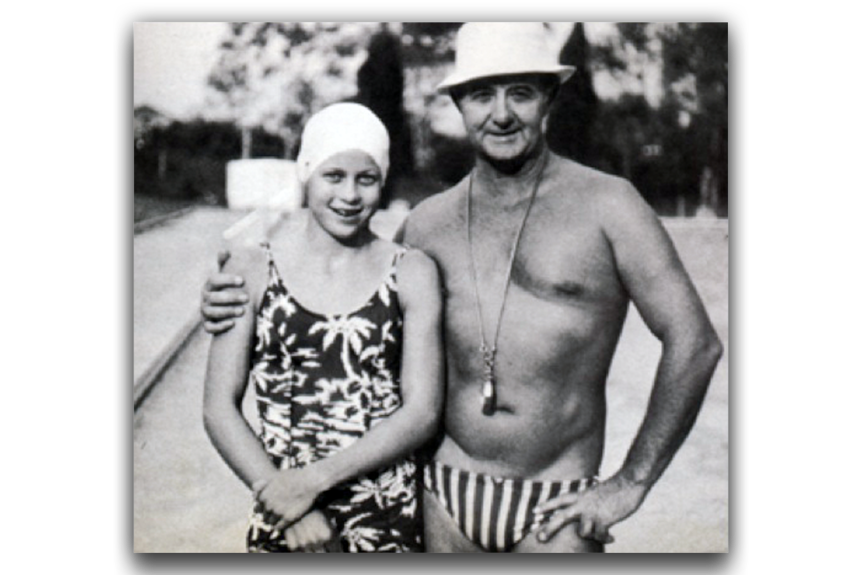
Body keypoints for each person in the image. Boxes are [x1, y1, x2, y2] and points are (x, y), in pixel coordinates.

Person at [201, 22, 723, 553]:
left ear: (549, 97)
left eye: (520, 92)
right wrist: (230, 292)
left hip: (554, 505)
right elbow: (344, 289)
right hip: (438, 500)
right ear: (457, 102)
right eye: (481, 95)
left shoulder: (610, 208)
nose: (500, 114)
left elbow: (696, 343)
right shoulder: (428, 223)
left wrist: (629, 484)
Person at [202, 103, 444, 553]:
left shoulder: (411, 271)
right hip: (286, 519)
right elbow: (219, 407)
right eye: (334, 176)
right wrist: (287, 503)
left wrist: (308, 484)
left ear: (383, 180)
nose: (350, 194)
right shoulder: (252, 268)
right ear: (306, 174)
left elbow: (422, 411)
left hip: (385, 516)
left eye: (366, 178)